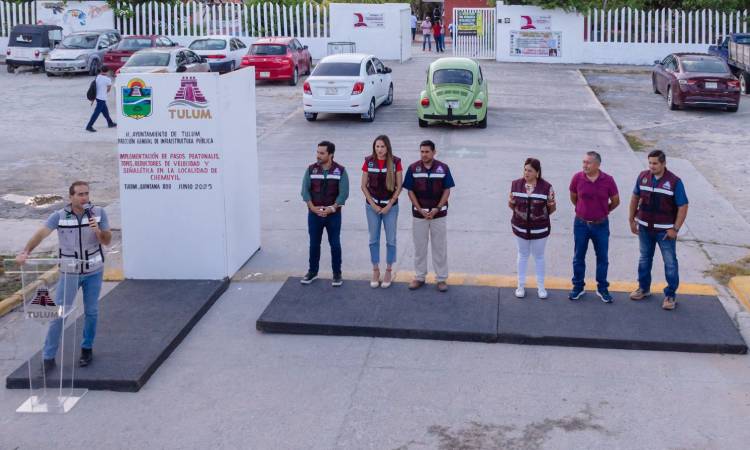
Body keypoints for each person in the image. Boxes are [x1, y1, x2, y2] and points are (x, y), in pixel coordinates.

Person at [16, 181, 112, 370]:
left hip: (94, 271)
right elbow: (41, 234)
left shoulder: (99, 213)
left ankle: (87, 348)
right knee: (59, 314)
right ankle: (48, 357)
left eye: (86, 193)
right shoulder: (59, 216)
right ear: (71, 197)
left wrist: (97, 230)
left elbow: (107, 241)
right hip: (70, 272)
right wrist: (25, 251)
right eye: (80, 194)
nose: (84, 197)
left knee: (91, 312)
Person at [628, 150, 689, 310]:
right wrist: (631, 220)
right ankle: (643, 288)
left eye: (655, 163)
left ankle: (670, 295)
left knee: (670, 262)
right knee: (644, 259)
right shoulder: (643, 177)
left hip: (665, 233)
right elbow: (634, 198)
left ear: (663, 163)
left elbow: (683, 206)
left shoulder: (675, 182)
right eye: (650, 163)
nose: (651, 166)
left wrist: (675, 229)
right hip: (644, 229)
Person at [403, 140, 455, 292]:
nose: (424, 154)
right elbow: (410, 191)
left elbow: (447, 190)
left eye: (427, 152)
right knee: (420, 248)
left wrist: (437, 208)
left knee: (440, 247)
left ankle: (441, 279)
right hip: (419, 215)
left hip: (439, 214)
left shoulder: (443, 168)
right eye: (422, 151)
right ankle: (419, 277)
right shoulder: (413, 168)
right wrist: (420, 209)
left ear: (434, 152)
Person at [568, 151, 620, 303]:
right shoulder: (577, 178)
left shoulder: (608, 180)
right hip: (581, 224)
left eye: (588, 163)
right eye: (584, 162)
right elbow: (574, 197)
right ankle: (578, 287)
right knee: (578, 256)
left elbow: (616, 201)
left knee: (602, 257)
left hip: (601, 225)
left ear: (597, 164)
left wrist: (604, 211)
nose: (585, 165)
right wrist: (582, 210)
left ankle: (602, 288)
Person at [300, 141, 349, 287]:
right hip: (314, 215)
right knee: (314, 244)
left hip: (333, 215)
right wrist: (313, 208)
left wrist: (332, 208)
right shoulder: (311, 170)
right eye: (317, 152)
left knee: (335, 244)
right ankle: (312, 272)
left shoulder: (340, 171)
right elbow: (304, 191)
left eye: (322, 153)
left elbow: (344, 193)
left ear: (331, 154)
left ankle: (337, 274)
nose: (318, 155)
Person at [509, 158, 556, 299]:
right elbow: (511, 204)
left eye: (530, 170)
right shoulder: (515, 184)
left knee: (539, 257)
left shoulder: (547, 187)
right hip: (520, 228)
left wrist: (538, 217)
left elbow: (552, 208)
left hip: (539, 230)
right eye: (525, 170)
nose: (526, 173)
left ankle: (541, 287)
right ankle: (520, 286)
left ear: (537, 172)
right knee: (522, 255)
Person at [362, 135, 403, 289]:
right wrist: (373, 204)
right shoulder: (368, 161)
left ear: (387, 148)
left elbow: (399, 186)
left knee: (391, 240)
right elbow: (363, 186)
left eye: (382, 147)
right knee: (373, 239)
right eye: (377, 146)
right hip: (372, 207)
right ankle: (375, 270)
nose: (379, 149)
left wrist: (389, 204)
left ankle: (388, 270)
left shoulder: (396, 162)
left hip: (390, 207)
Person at [85, 66, 116, 132]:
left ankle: (110, 123)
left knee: (105, 111)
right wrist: (104, 91)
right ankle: (89, 126)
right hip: (102, 98)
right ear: (108, 72)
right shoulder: (108, 79)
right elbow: (108, 89)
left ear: (101, 70)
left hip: (97, 97)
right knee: (96, 112)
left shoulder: (98, 77)